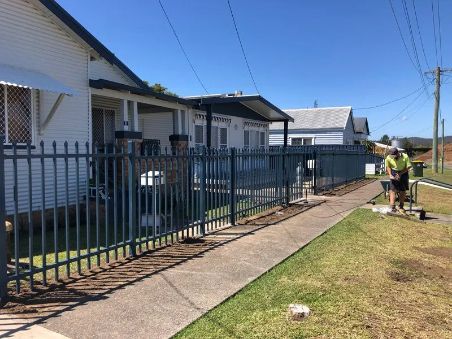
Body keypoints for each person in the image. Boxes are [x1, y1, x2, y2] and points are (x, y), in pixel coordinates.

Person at [385, 147, 412, 213]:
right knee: (392, 190)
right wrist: (390, 174)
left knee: (402, 190)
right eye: (391, 156)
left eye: (394, 156)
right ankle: (392, 206)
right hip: (394, 172)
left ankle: (401, 206)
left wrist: (400, 174)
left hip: (404, 172)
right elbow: (388, 166)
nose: (392, 158)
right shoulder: (388, 157)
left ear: (397, 154)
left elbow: (408, 167)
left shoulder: (405, 156)